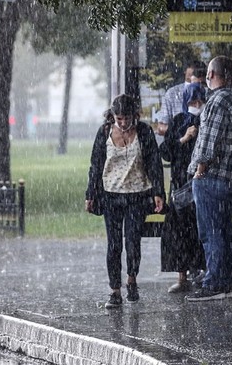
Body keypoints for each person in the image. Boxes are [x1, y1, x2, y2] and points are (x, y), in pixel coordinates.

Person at [85, 94, 165, 308]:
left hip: (138, 194)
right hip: (111, 195)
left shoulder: (144, 132)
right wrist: (90, 194)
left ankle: (131, 278)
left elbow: (154, 163)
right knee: (114, 244)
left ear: (134, 115)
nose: (122, 123)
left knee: (132, 241)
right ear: (113, 116)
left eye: (126, 118)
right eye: (118, 118)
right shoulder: (104, 132)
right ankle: (114, 290)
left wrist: (158, 192)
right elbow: (96, 164)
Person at [185, 56, 232, 302]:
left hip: (213, 177)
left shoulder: (217, 102)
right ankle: (227, 280)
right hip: (230, 178)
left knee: (211, 232)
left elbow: (209, 142)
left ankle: (215, 283)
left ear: (211, 74)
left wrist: (201, 168)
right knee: (223, 232)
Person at [160, 83, 206, 293]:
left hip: (202, 182)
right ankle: (182, 276)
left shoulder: (207, 120)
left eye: (199, 102)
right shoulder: (179, 121)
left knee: (201, 229)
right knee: (179, 231)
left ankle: (204, 273)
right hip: (180, 184)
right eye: (192, 102)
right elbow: (166, 152)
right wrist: (184, 139)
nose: (196, 106)